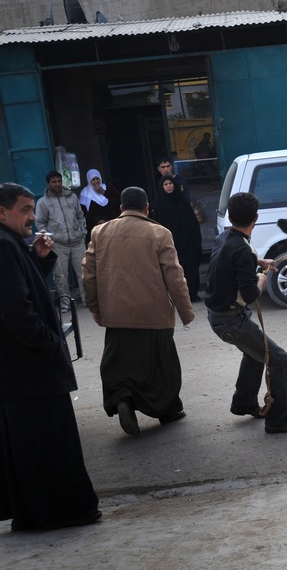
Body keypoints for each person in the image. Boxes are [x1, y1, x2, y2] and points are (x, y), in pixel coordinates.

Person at [0, 182, 100, 531]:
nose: (32, 217)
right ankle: (55, 512)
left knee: (25, 449)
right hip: (25, 371)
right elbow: (15, 311)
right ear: (2, 212)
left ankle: (33, 513)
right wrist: (49, 344)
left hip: (10, 373)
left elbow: (17, 286)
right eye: (25, 210)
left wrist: (36, 258)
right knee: (46, 448)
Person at [82, 186, 195, 436]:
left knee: (119, 364)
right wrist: (185, 312)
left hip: (116, 314)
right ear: (147, 208)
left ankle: (124, 398)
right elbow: (175, 277)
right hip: (154, 314)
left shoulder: (100, 232)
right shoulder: (159, 233)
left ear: (121, 208)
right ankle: (168, 410)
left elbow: (88, 274)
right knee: (162, 364)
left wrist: (95, 306)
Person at [204, 191, 287, 434]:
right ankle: (278, 419)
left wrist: (257, 261)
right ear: (256, 218)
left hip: (217, 315)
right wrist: (262, 278)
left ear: (230, 217)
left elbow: (228, 262)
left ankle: (243, 403)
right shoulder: (242, 249)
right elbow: (251, 295)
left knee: (254, 355)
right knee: (280, 359)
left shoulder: (225, 238)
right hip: (230, 320)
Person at [35, 170, 87, 311]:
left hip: (77, 242)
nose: (57, 184)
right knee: (61, 276)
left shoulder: (72, 197)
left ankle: (87, 301)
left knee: (84, 273)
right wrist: (49, 239)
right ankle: (66, 304)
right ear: (49, 183)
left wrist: (83, 233)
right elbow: (40, 224)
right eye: (54, 182)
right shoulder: (43, 202)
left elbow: (80, 216)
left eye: (59, 181)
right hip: (58, 244)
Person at [154, 175, 203, 301]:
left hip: (187, 243)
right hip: (170, 245)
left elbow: (193, 223)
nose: (169, 186)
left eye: (170, 183)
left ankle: (192, 293)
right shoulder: (160, 206)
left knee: (190, 267)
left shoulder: (182, 202)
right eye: (165, 184)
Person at [78, 169, 121, 242]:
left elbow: (118, 201)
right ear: (89, 180)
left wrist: (103, 192)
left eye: (97, 179)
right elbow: (82, 212)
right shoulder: (85, 193)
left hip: (112, 226)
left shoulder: (107, 187)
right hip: (95, 230)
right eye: (93, 179)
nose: (96, 181)